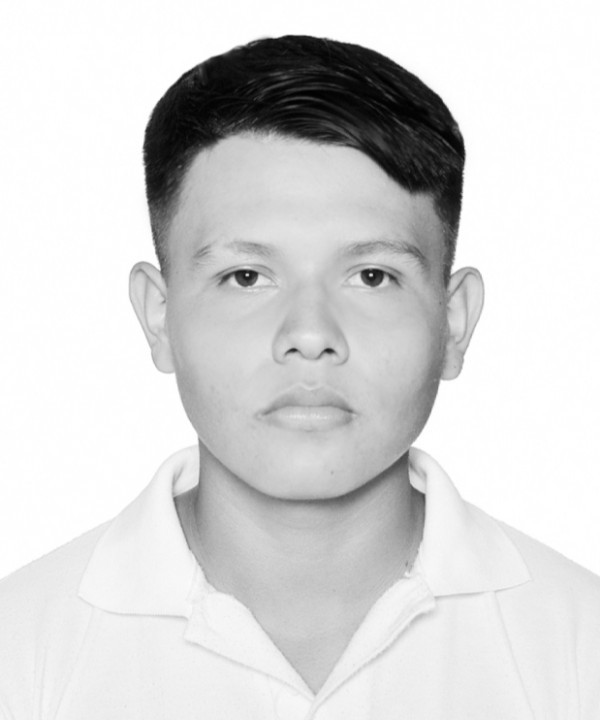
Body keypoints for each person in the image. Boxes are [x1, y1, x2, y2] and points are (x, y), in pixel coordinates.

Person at [0, 34, 598, 720]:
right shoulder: (20, 653)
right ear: (159, 317)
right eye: (246, 277)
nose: (310, 335)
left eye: (372, 276)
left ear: (453, 322)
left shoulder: (580, 651)